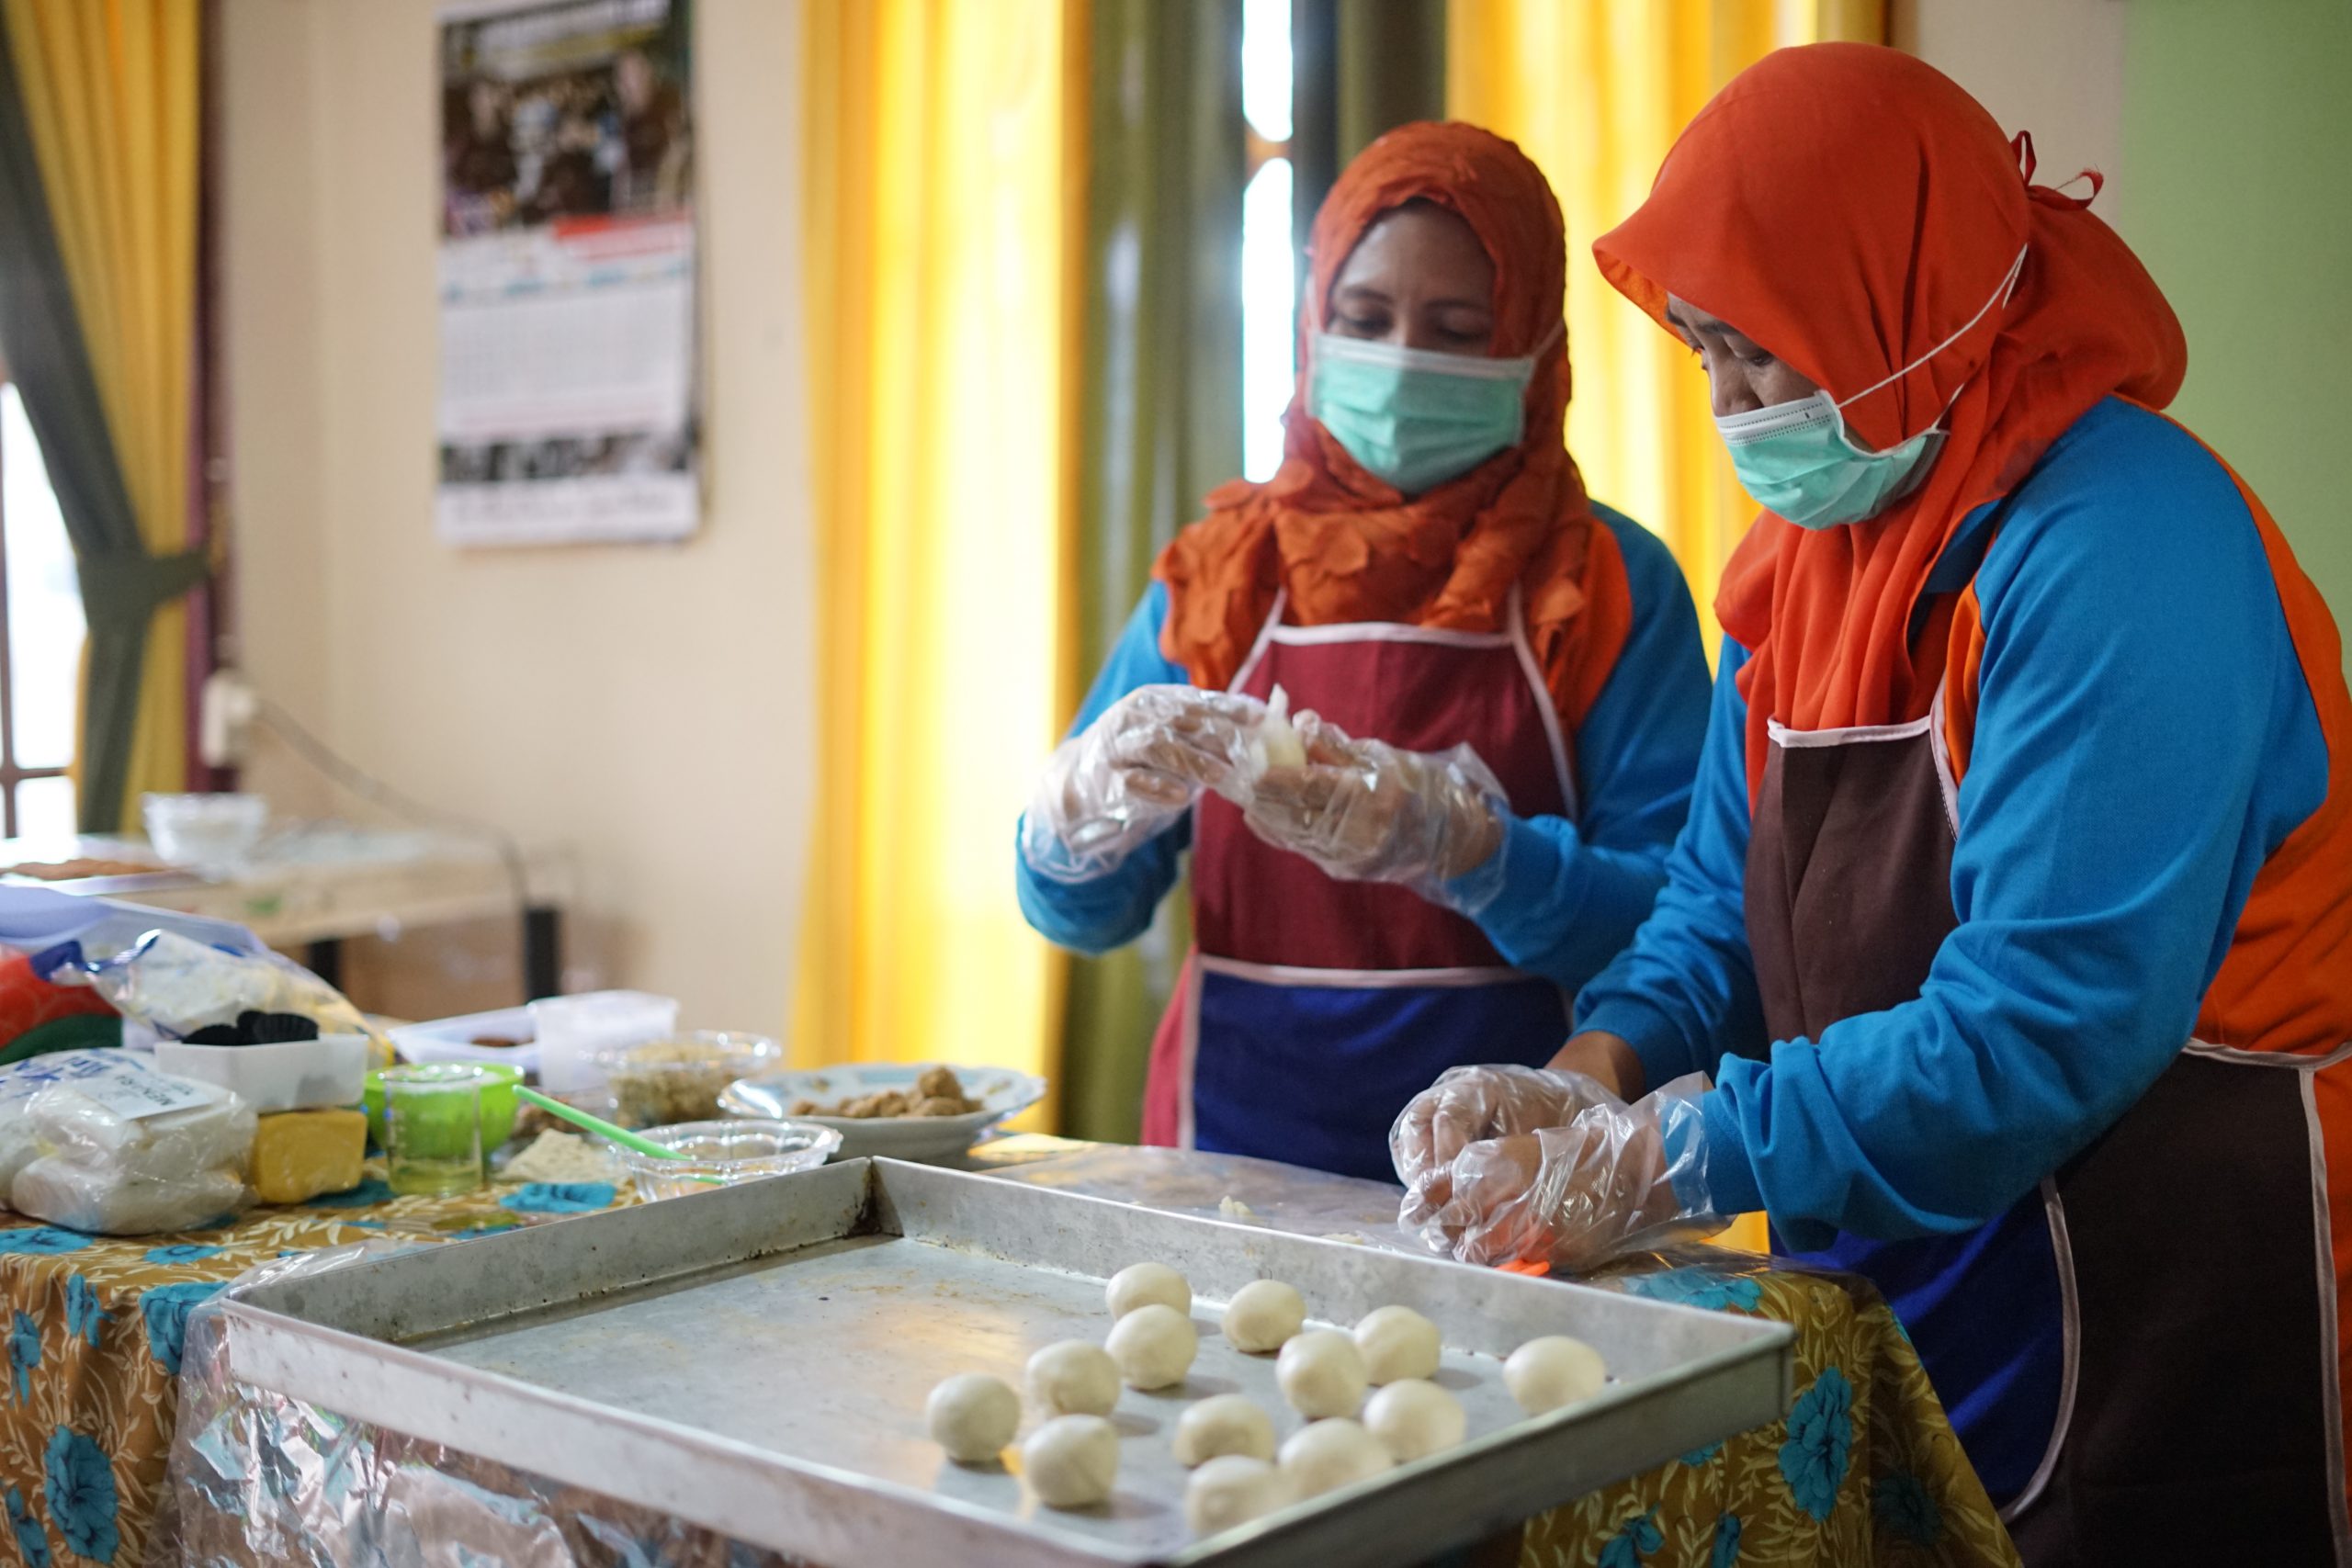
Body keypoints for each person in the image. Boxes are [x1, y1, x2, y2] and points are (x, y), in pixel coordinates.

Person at [1392, 44, 2352, 1562]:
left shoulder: (2125, 553)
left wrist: (1667, 1157)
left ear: (1902, 305)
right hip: (1903, 1250)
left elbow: (2043, 1027)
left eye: (1761, 350)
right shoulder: (1801, 567)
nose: (1731, 404)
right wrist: (1590, 1072)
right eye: (1702, 351)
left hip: (2168, 1269)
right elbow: (1721, 906)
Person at [1016, 123, 1713, 1184]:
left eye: (1455, 327)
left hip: (1509, 1165)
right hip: (1231, 1159)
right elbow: (1086, 916)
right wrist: (1076, 819)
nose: (1398, 360)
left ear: (1530, 345)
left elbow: (1685, 924)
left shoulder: (1606, 583)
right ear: (1313, 325)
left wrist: (1471, 852)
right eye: (1364, 317)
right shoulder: (1220, 576)